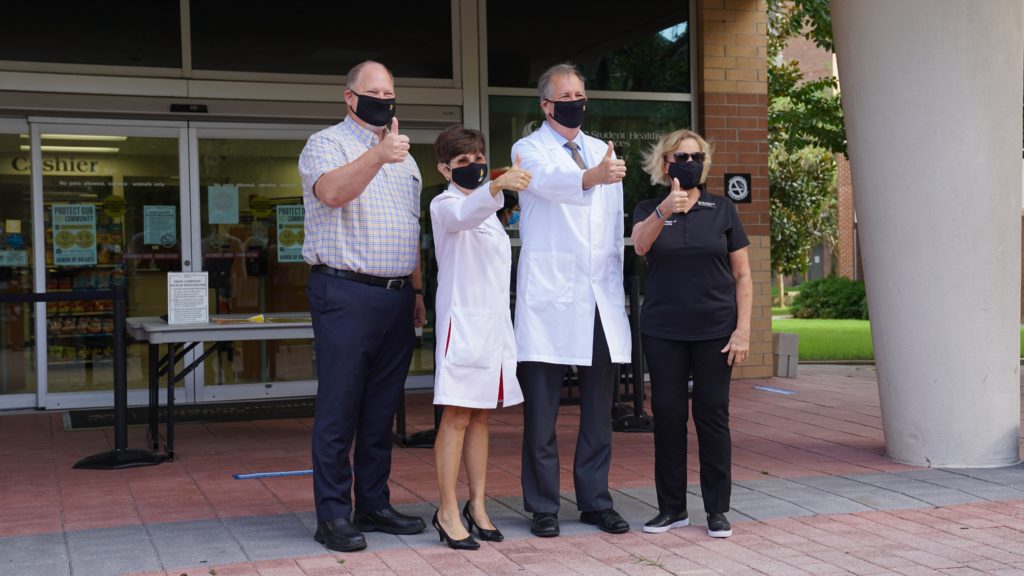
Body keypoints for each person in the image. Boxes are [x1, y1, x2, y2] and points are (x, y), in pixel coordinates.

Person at [298, 60, 427, 553]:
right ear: (349, 98)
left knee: (380, 410)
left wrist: (415, 291)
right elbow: (331, 193)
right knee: (340, 407)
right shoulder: (326, 144)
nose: (383, 99)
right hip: (345, 291)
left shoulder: (408, 158)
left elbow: (408, 229)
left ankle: (372, 503)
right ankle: (332, 514)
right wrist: (378, 156)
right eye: (372, 91)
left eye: (390, 91)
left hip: (396, 297)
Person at [512, 63, 633, 538]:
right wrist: (593, 177)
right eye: (566, 95)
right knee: (541, 411)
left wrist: (615, 284)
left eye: (581, 93)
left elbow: (611, 227)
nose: (576, 101)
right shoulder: (528, 148)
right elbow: (550, 183)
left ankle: (595, 501)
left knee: (598, 411)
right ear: (546, 104)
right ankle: (543, 505)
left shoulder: (604, 149)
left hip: (599, 296)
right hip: (549, 297)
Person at [630, 129, 752, 538]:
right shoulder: (648, 207)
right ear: (666, 164)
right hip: (664, 330)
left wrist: (744, 330)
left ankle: (717, 509)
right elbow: (640, 247)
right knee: (667, 416)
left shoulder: (722, 209)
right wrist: (665, 209)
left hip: (716, 330)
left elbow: (743, 275)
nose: (690, 162)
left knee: (712, 415)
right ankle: (672, 509)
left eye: (696, 156)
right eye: (681, 156)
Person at [428, 125, 532, 550]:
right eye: (463, 163)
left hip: (492, 327)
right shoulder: (445, 204)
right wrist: (495, 186)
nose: (474, 167)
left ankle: (478, 504)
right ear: (444, 169)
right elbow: (463, 215)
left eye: (478, 159)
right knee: (456, 415)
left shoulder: (490, 211)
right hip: (463, 327)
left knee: (482, 415)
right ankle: (447, 510)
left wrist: (496, 191)